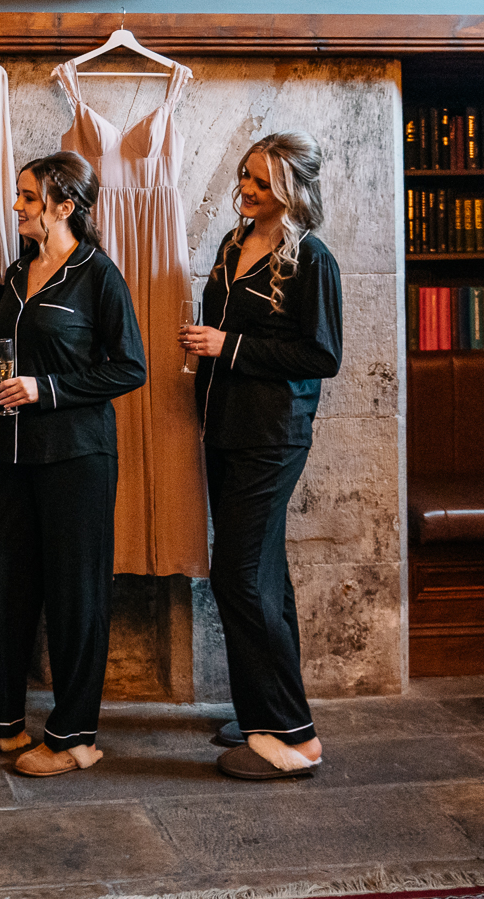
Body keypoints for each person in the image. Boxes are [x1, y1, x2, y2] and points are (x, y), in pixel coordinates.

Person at [0, 152, 146, 777]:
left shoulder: (98, 275)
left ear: (65, 207)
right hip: (16, 459)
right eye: (20, 196)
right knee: (1, 589)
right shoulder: (12, 277)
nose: (17, 207)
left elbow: (129, 367)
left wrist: (47, 389)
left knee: (75, 596)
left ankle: (75, 736)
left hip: (79, 459)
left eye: (29, 198)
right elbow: (2, 368)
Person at [178, 131, 342, 781]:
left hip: (272, 437)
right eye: (244, 176)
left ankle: (295, 739)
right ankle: (261, 715)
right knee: (266, 576)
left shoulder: (313, 261)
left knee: (237, 577)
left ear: (290, 190)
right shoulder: (233, 242)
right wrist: (206, 348)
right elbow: (226, 331)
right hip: (224, 429)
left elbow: (321, 356)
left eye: (260, 182)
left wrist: (229, 348)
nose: (244, 190)